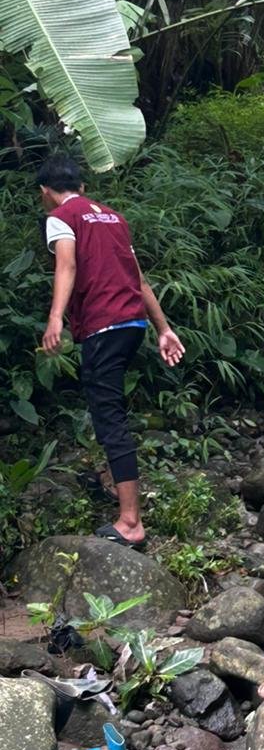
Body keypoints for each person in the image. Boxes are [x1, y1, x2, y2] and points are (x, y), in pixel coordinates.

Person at [38, 154, 185, 547]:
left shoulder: (62, 217)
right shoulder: (113, 219)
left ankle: (130, 522)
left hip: (104, 326)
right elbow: (138, 280)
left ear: (45, 193)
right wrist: (164, 329)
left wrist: (55, 318)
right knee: (112, 412)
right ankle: (123, 499)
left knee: (109, 419)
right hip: (132, 324)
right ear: (83, 187)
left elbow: (66, 266)